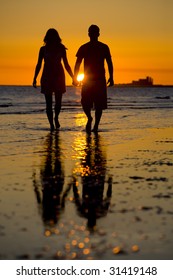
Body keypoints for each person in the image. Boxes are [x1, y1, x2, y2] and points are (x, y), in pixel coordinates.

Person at [73, 24, 114, 133]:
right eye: (92, 32)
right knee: (85, 102)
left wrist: (111, 77)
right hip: (88, 80)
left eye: (94, 32)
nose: (93, 34)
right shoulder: (84, 47)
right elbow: (77, 63)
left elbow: (109, 62)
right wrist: (75, 77)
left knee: (99, 104)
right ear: (89, 34)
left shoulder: (104, 47)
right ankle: (90, 119)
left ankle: (95, 125)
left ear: (98, 34)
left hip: (99, 79)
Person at [33, 28, 73, 131]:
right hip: (47, 76)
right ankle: (51, 125)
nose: (51, 38)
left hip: (59, 76)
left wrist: (73, 77)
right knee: (48, 103)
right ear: (47, 37)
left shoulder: (61, 48)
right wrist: (34, 78)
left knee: (58, 102)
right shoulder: (43, 49)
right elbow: (38, 64)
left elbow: (66, 64)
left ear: (56, 37)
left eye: (53, 36)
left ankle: (56, 117)